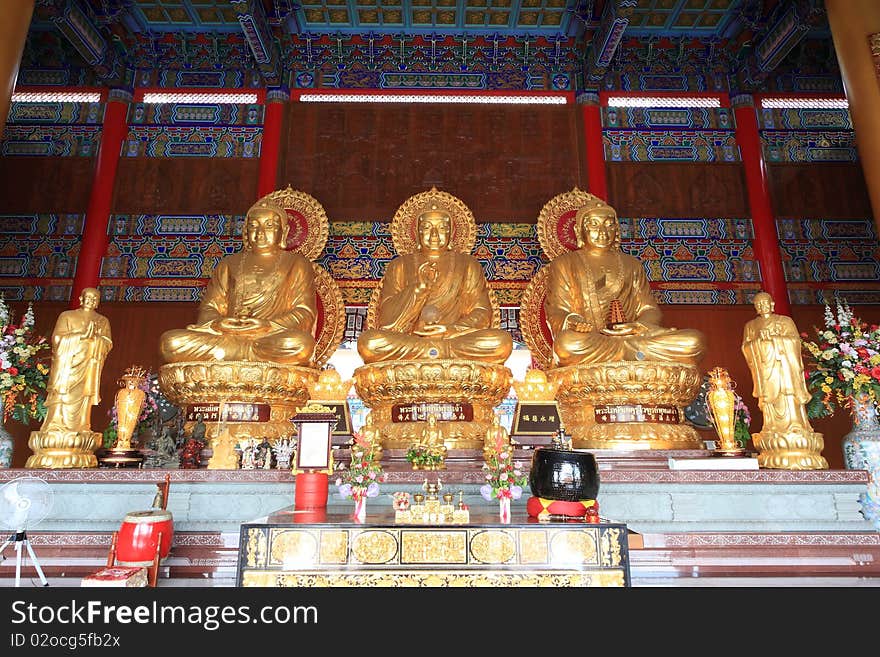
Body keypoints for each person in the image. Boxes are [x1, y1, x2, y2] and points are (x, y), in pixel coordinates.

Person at [543, 196, 705, 367]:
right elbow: (557, 310)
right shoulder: (564, 264)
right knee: (566, 345)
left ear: (617, 229)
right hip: (592, 342)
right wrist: (573, 321)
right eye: (594, 224)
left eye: (609, 224)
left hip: (634, 339)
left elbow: (649, 308)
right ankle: (630, 356)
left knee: (695, 341)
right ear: (578, 231)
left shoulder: (632, 265)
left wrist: (639, 326)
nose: (603, 232)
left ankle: (626, 353)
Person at [160, 197, 316, 365]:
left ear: (284, 232)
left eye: (269, 226)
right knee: (170, 343)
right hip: (227, 336)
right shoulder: (229, 263)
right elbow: (209, 307)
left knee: (301, 345)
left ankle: (236, 355)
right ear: (245, 231)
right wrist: (220, 323)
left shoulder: (297, 264)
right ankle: (243, 354)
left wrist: (267, 325)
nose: (260, 233)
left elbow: (304, 312)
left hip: (268, 338)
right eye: (253, 226)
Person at [358, 205, 512, 363]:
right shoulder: (400, 265)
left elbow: (482, 313)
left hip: (452, 341)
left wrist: (448, 330)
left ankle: (438, 352)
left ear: (451, 233)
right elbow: (386, 320)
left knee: (502, 342)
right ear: (417, 233)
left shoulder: (468, 264)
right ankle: (441, 355)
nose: (434, 235)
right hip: (412, 341)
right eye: (426, 227)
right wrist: (419, 290)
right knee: (370, 342)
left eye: (442, 228)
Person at [741, 292, 815, 436]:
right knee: (769, 396)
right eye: (758, 304)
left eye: (765, 303)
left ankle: (795, 424)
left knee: (787, 393)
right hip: (764, 368)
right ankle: (771, 427)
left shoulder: (785, 321)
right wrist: (759, 342)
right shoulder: (750, 326)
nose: (762, 306)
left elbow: (795, 342)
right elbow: (745, 347)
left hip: (784, 367)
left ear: (772, 304)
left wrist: (776, 339)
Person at [41, 287, 113, 433]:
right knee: (62, 394)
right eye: (88, 297)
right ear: (81, 299)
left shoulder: (102, 321)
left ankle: (82, 426)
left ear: (98, 302)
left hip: (88, 366)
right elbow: (56, 339)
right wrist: (81, 336)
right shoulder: (67, 316)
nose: (91, 300)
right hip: (67, 366)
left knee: (84, 395)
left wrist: (95, 339)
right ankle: (55, 425)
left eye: (95, 299)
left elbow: (108, 343)